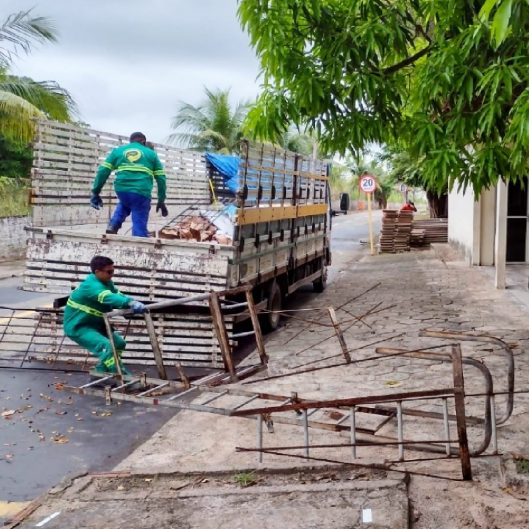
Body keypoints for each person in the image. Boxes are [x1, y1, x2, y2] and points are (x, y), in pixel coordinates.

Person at [63, 255, 147, 375]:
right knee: (107, 346)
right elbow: (107, 297)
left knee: (119, 343)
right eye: (109, 271)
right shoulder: (91, 285)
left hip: (96, 324)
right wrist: (129, 303)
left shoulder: (106, 282)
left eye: (113, 271)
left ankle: (100, 373)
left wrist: (130, 303)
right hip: (79, 326)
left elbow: (117, 295)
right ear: (97, 272)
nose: (112, 274)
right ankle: (124, 380)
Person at [90, 131, 168, 237]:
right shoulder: (151, 154)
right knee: (139, 215)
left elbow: (103, 171)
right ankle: (139, 238)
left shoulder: (118, 151)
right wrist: (161, 200)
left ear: (131, 141)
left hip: (122, 191)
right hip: (141, 192)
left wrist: (95, 192)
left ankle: (113, 225)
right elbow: (161, 179)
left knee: (125, 203)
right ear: (143, 141)